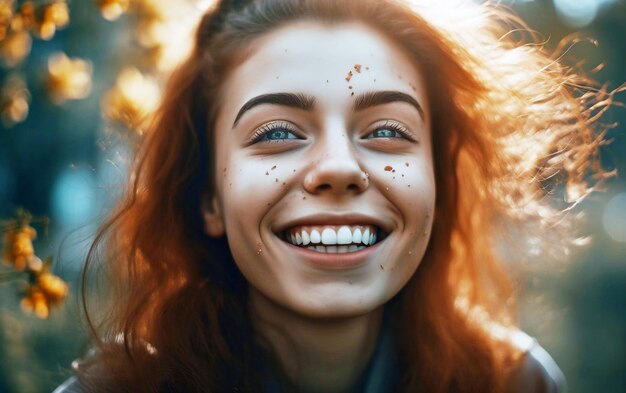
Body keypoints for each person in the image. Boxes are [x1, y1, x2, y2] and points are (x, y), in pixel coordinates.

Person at [55, 0, 614, 391]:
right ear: (208, 198)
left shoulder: (517, 385)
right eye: (276, 133)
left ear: (437, 180)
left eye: (387, 131)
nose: (339, 168)